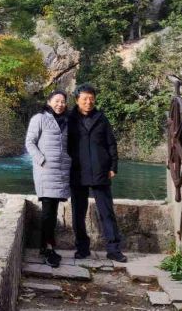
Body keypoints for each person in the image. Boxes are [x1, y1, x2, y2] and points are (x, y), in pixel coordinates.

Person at [67, 84, 126, 262]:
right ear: (77, 100)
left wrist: (113, 166)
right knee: (78, 212)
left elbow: (111, 144)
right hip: (77, 172)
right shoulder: (69, 119)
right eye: (84, 98)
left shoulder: (101, 118)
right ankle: (82, 248)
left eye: (91, 98)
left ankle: (114, 249)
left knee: (106, 212)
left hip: (101, 171)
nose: (88, 102)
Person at [25, 90, 71, 268]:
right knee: (47, 212)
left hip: (61, 172)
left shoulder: (67, 120)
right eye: (57, 101)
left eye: (63, 102)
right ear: (49, 101)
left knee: (52, 211)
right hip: (46, 171)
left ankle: (48, 248)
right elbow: (30, 142)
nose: (60, 104)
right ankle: (46, 249)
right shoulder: (39, 118)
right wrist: (42, 160)